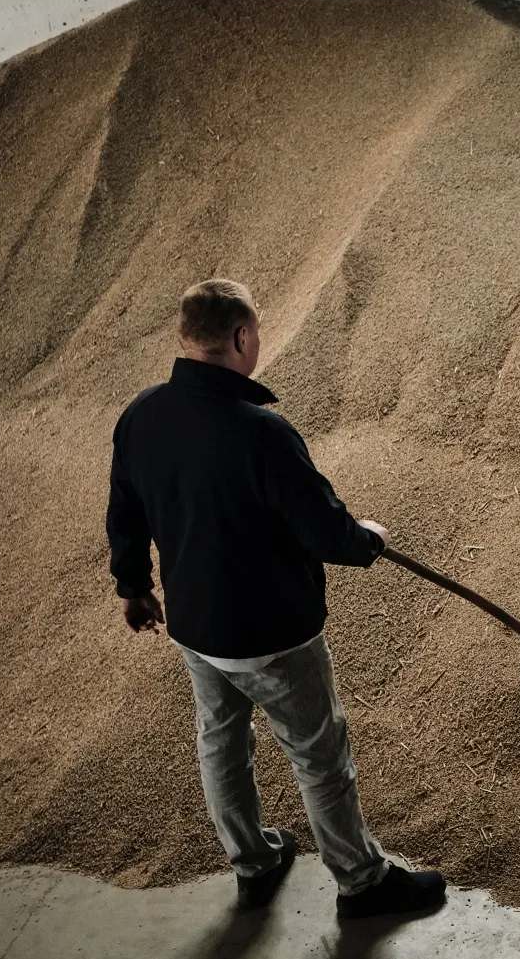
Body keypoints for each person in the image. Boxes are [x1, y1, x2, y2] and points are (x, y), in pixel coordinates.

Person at [105, 278, 444, 918]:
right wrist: (367, 538)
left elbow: (124, 511)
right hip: (272, 635)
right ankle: (362, 882)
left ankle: (254, 862)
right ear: (240, 337)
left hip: (195, 626)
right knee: (319, 754)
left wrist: (133, 586)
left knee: (221, 739)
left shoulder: (141, 414)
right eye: (255, 334)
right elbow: (322, 530)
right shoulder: (261, 431)